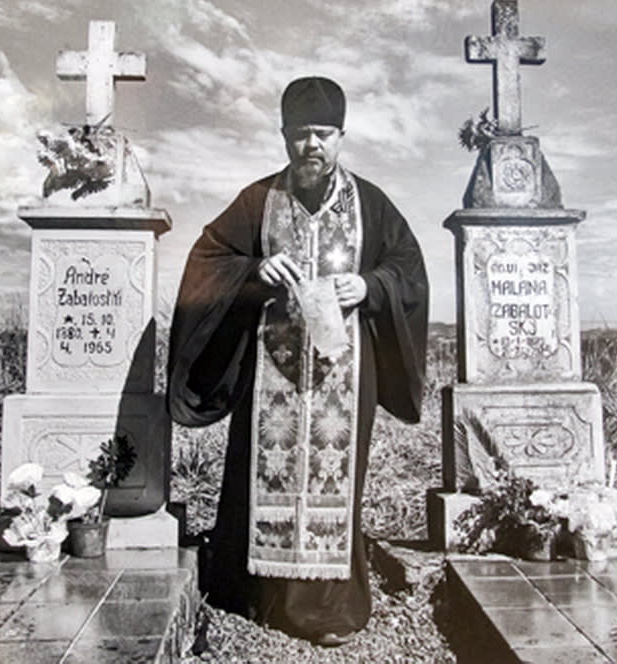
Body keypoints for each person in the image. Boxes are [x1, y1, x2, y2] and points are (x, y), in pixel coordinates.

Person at [166, 76, 429, 647]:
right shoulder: (259, 201)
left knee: (337, 480)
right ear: (284, 136)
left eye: (323, 134)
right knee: (258, 474)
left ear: (341, 137)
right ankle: (250, 592)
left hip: (345, 374)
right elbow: (209, 259)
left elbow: (408, 269)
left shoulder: (371, 204)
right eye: (301, 134)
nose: (312, 145)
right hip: (270, 374)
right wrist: (252, 272)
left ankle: (329, 609)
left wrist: (371, 285)